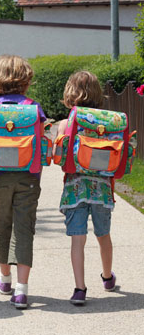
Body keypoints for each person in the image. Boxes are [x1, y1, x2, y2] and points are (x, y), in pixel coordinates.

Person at [0, 55, 47, 309]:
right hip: (28, 177)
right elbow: (42, 145)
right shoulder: (33, 109)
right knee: (24, 228)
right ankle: (22, 290)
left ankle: (5, 280)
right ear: (25, 80)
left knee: (2, 226)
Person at [54, 71, 116, 305]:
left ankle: (80, 289)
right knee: (103, 235)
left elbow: (59, 159)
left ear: (70, 92)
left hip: (74, 188)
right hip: (102, 188)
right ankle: (108, 277)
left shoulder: (66, 123)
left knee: (77, 239)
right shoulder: (110, 122)